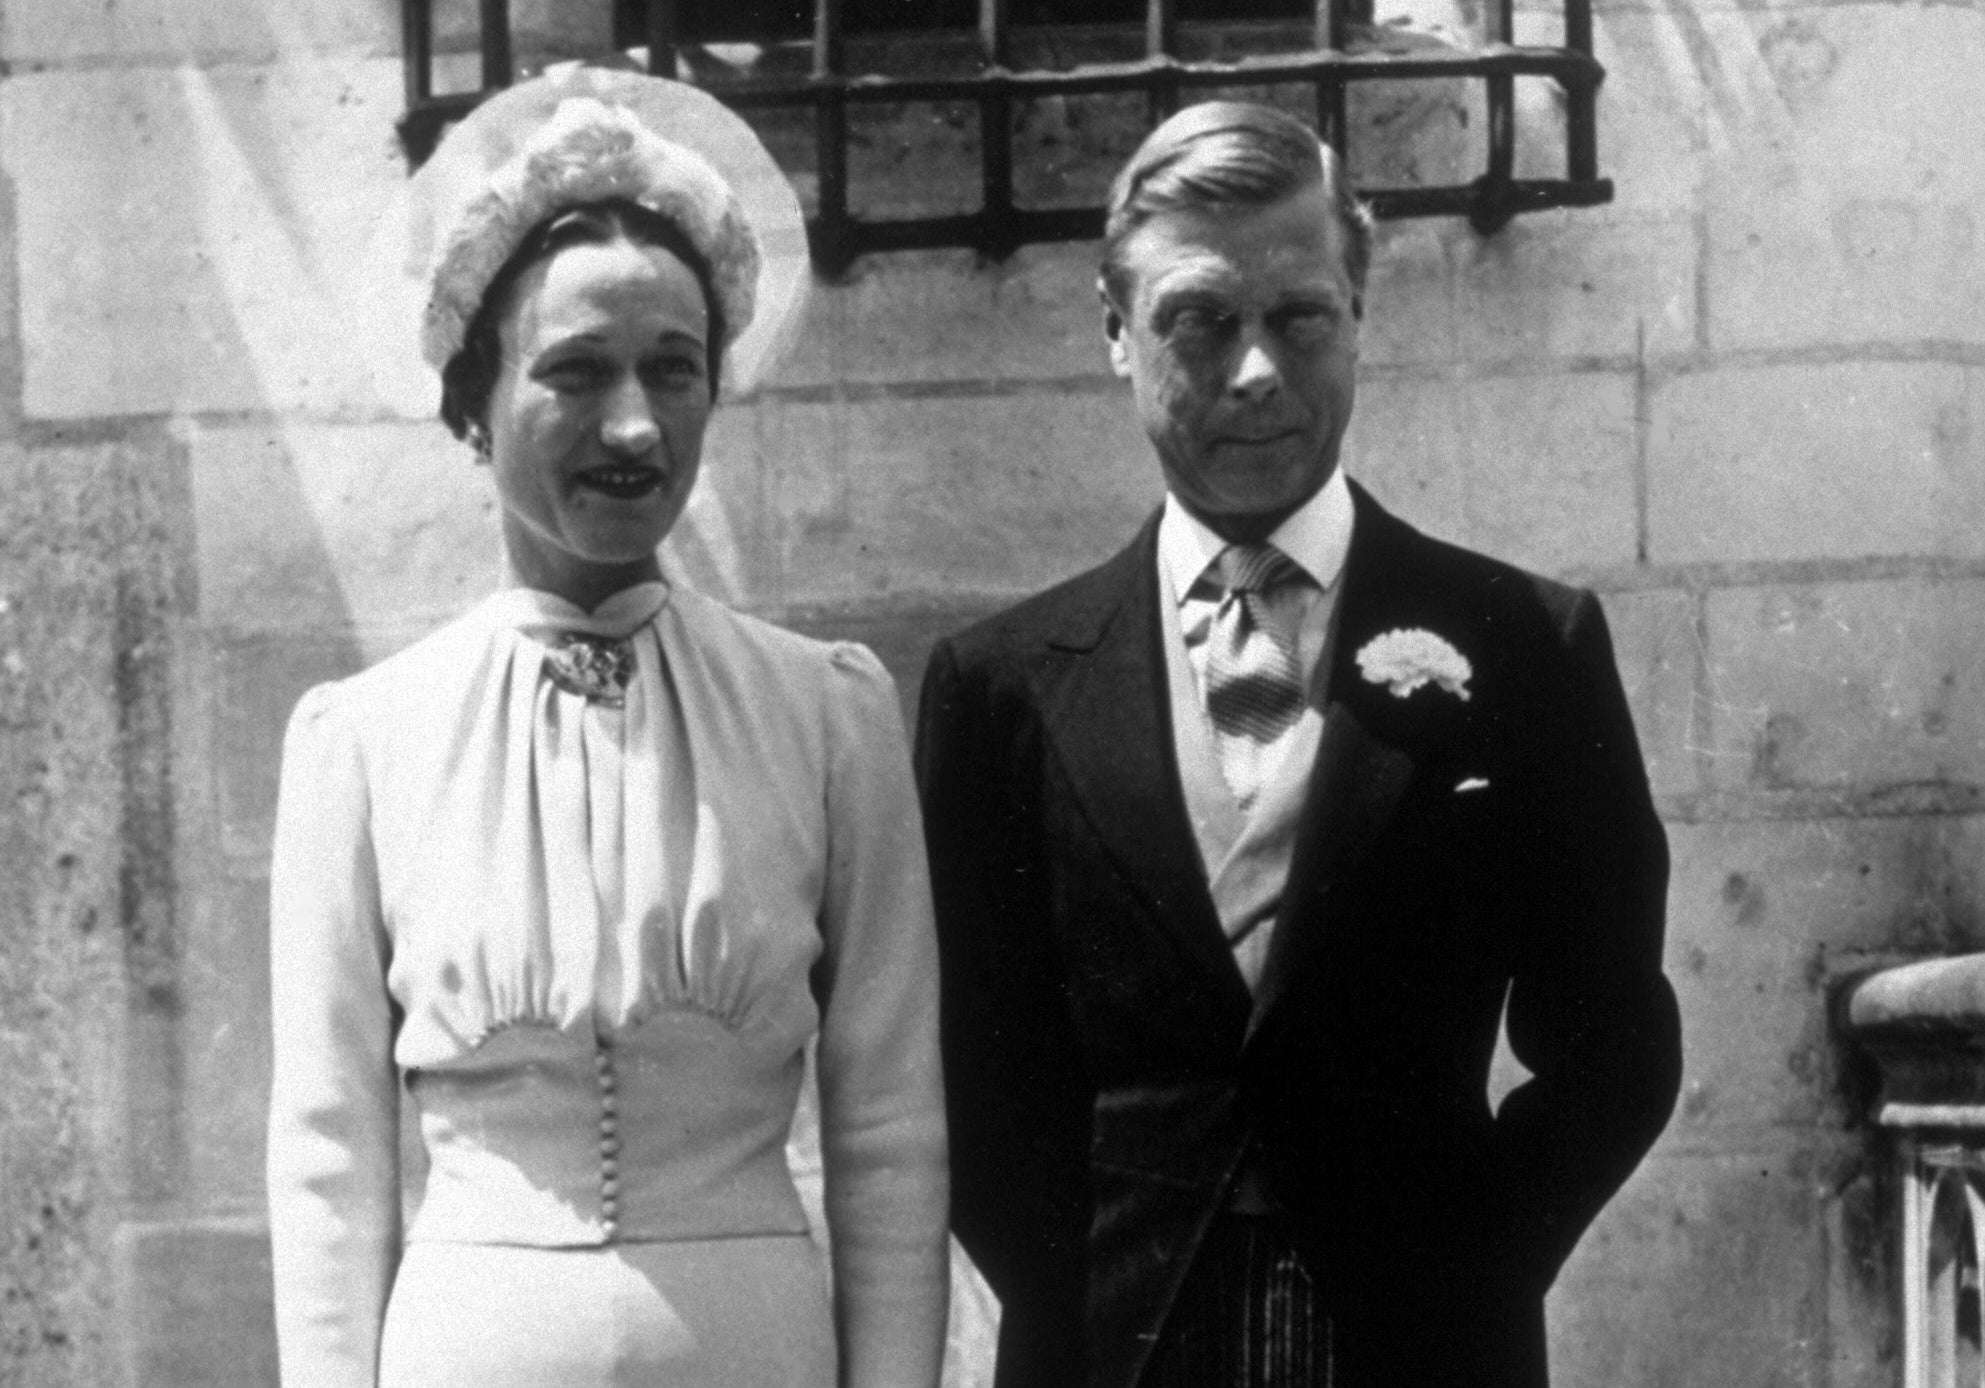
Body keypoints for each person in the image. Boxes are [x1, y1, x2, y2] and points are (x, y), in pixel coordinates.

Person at [915, 100, 1682, 1388]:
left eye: (1298, 316)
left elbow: (1614, 1042)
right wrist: (1082, 1280)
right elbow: (959, 1062)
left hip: (1420, 1339)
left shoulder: (1526, 645)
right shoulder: (1000, 686)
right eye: (1200, 320)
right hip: (1118, 1341)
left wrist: (1473, 1262)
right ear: (1117, 334)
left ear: (1358, 317)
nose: (1256, 369)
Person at [265, 67, 948, 1388]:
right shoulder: (362, 741)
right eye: (575, 373)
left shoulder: (825, 712)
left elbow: (890, 1128)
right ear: (473, 402)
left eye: (672, 371)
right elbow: (328, 1157)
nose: (634, 425)